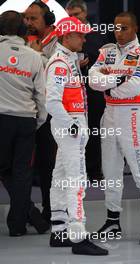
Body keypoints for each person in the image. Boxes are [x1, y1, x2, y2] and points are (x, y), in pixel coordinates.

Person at [89, 11, 140, 245]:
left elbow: (136, 87)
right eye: (116, 28)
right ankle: (112, 222)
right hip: (109, 115)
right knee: (110, 173)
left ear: (136, 28)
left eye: (125, 28)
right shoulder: (106, 51)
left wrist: (108, 86)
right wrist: (116, 82)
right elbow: (92, 79)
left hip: (133, 115)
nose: (119, 32)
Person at [45, 16, 108, 255]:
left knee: (60, 176)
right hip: (69, 127)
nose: (84, 38)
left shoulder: (69, 59)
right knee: (77, 181)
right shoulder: (60, 63)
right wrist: (71, 125)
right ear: (66, 37)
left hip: (70, 126)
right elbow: (51, 101)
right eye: (80, 34)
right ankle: (78, 236)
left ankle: (59, 231)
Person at [0, 10, 46, 236]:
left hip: (1, 119)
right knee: (21, 173)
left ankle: (31, 215)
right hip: (26, 121)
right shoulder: (35, 57)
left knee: (8, 171)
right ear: (22, 30)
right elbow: (42, 95)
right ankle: (19, 226)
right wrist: (38, 120)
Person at [24, 0, 58, 223]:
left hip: (51, 113)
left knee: (48, 165)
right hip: (26, 112)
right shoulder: (23, 41)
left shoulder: (59, 40)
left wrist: (38, 56)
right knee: (22, 166)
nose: (28, 22)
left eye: (33, 18)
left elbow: (57, 73)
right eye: (26, 18)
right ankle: (24, 212)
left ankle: (50, 208)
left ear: (47, 20)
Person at [65, 0, 107, 181]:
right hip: (71, 91)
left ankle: (94, 171)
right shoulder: (64, 35)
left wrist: (90, 60)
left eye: (76, 15)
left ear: (85, 13)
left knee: (94, 130)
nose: (72, 18)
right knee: (72, 131)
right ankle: (74, 171)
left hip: (93, 90)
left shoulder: (98, 34)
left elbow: (106, 60)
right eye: (69, 16)